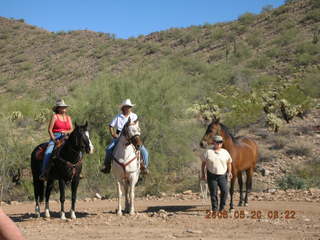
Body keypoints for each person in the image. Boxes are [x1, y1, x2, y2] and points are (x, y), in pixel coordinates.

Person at [101, 99, 149, 174]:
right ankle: (107, 166)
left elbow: (136, 125)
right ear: (123, 108)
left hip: (132, 136)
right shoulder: (118, 117)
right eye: (126, 107)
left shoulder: (134, 116)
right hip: (119, 135)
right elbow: (111, 126)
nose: (128, 108)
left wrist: (136, 133)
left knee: (144, 151)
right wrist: (113, 134)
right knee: (108, 149)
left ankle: (144, 167)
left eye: (129, 107)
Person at [39, 99, 73, 181]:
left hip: (67, 137)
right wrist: (54, 140)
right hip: (56, 137)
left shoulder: (68, 118)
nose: (64, 108)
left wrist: (66, 132)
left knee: (76, 150)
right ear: (58, 108)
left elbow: (71, 129)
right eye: (62, 107)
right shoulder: (55, 117)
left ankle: (77, 171)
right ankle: (44, 173)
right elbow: (50, 130)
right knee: (48, 152)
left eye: (64, 107)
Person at [201, 135, 232, 213]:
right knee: (213, 193)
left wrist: (230, 172)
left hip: (222, 175)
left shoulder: (225, 152)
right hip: (211, 175)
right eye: (217, 142)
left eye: (220, 142)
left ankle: (222, 208)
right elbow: (203, 164)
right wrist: (203, 174)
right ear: (213, 143)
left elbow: (229, 163)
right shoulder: (208, 152)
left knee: (225, 191)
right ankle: (215, 209)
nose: (218, 144)